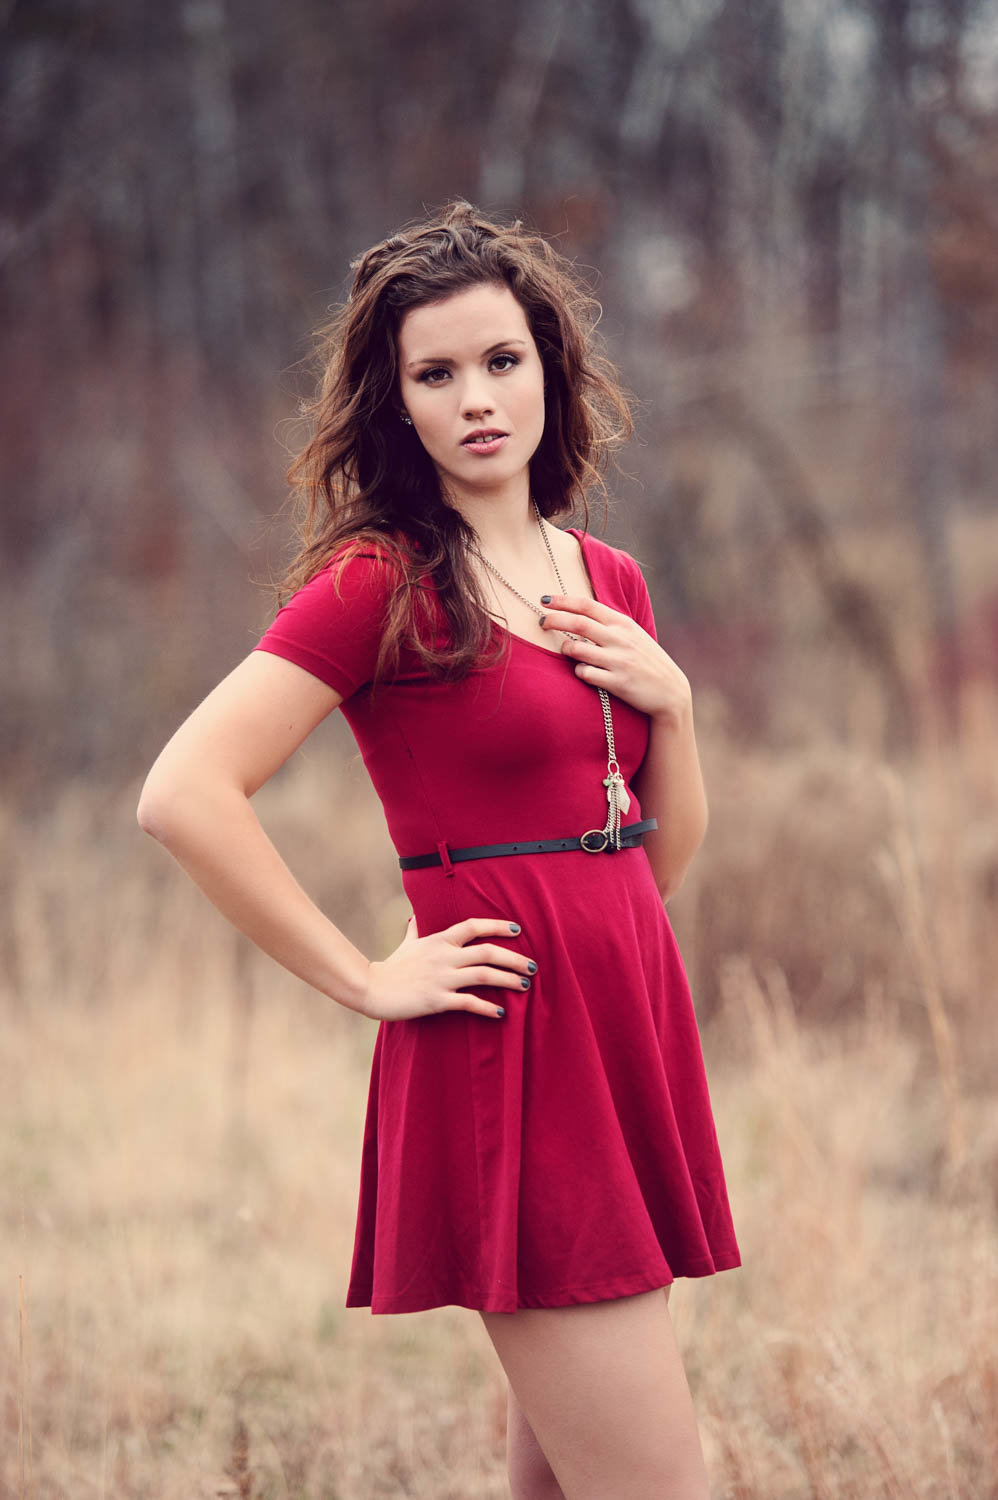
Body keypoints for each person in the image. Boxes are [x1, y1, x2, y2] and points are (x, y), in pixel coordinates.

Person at [137, 201, 740, 1500]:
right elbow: (185, 792)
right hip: (509, 1050)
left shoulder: (606, 579)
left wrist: (673, 707)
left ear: (549, 371)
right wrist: (365, 975)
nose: (476, 398)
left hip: (620, 1024)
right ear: (393, 402)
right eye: (435, 373)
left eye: (501, 361)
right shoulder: (378, 585)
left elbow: (655, 864)